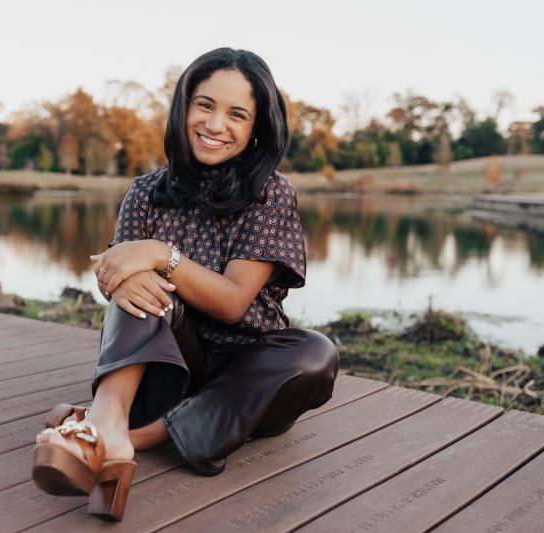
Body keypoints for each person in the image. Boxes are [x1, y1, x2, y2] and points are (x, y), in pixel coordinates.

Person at [31, 47, 339, 522]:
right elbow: (119, 282)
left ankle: (120, 435)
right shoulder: (145, 190)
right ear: (183, 107)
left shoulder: (270, 193)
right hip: (165, 365)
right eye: (205, 105)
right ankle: (110, 417)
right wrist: (118, 279)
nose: (216, 124)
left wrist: (159, 254)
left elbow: (235, 302)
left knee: (316, 354)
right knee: (137, 284)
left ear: (257, 128)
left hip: (248, 378)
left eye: (237, 114)